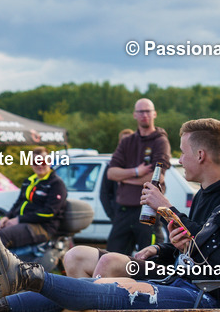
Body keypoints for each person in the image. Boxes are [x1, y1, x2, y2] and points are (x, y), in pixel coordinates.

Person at [0, 217, 220, 312]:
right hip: (183, 280)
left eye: (184, 152)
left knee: (118, 292)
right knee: (93, 285)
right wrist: (168, 248)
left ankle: (27, 275)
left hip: (204, 295)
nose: (180, 159)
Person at [65, 119, 220, 280]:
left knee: (110, 262)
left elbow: (208, 250)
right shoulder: (202, 194)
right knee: (76, 256)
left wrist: (164, 207)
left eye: (182, 152)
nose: (180, 160)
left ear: (200, 155)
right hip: (177, 268)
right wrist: (159, 249)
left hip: (194, 281)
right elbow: (190, 243)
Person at [0, 147, 67, 275]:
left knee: (0, 236)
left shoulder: (56, 184)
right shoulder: (30, 181)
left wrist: (19, 220)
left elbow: (49, 213)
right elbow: (18, 204)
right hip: (22, 223)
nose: (39, 166)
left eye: (42, 162)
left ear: (49, 162)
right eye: (35, 163)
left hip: (43, 227)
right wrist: (6, 218)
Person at [105, 98, 171, 254]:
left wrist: (124, 177)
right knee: (111, 258)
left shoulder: (160, 141)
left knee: (149, 261)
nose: (144, 115)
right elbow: (111, 173)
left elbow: (157, 178)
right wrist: (136, 172)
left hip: (147, 211)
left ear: (154, 114)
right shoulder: (127, 141)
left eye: (148, 111)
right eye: (140, 111)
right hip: (123, 211)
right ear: (135, 115)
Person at [98, 129, 135, 227]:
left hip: (138, 216)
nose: (127, 144)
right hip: (120, 215)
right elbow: (104, 193)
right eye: (124, 141)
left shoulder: (141, 163)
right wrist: (113, 215)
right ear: (119, 143)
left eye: (129, 140)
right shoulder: (113, 165)